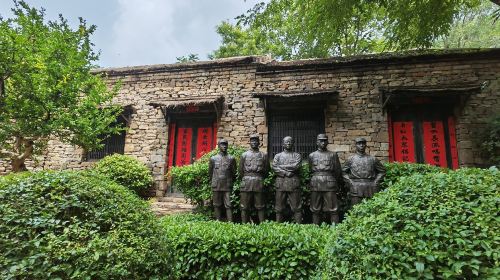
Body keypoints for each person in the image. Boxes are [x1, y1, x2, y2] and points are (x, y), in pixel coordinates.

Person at [308, 134, 342, 224]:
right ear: (317, 142)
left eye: (324, 141)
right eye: (320, 141)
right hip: (315, 183)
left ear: (327, 142)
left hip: (330, 183)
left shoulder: (333, 155)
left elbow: (338, 171)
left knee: (333, 208)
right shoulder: (312, 155)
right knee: (315, 208)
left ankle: (335, 230)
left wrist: (332, 179)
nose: (323, 143)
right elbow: (310, 169)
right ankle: (316, 229)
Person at [342, 137, 386, 206]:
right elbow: (343, 172)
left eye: (363, 143)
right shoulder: (350, 159)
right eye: (359, 144)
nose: (361, 145)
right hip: (355, 187)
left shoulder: (373, 159)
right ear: (355, 145)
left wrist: (376, 181)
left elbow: (382, 171)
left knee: (371, 209)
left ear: (366, 145)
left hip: (370, 187)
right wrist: (350, 181)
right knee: (355, 209)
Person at [272, 136, 302, 223]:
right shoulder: (278, 156)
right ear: (283, 144)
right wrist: (285, 173)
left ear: (293, 144)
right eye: (286, 142)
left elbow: (296, 166)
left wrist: (281, 166)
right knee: (279, 207)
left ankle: (299, 227)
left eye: (290, 142)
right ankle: (278, 226)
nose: (288, 143)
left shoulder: (297, 155)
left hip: (293, 183)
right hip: (281, 183)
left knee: (297, 207)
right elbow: (274, 167)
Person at [239, 134, 269, 223]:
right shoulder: (244, 155)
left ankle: (262, 225)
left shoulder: (264, 155)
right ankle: (244, 225)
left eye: (256, 141)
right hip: (246, 182)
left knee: (260, 206)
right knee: (244, 206)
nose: (254, 142)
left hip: (258, 181)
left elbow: (267, 170)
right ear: (249, 142)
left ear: (259, 143)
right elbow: (240, 170)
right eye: (252, 141)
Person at [208, 139, 237, 222]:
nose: (224, 146)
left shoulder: (231, 158)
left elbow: (234, 173)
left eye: (225, 144)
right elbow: (210, 173)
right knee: (216, 204)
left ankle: (230, 222)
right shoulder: (213, 159)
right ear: (218, 146)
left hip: (227, 185)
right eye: (222, 144)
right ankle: (218, 221)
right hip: (216, 184)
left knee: (229, 204)